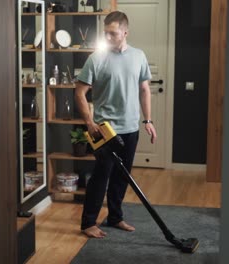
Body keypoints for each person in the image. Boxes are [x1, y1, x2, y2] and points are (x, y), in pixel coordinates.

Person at [75, 11, 157, 238]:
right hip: (105, 130)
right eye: (106, 33)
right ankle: (88, 223)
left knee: (123, 176)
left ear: (125, 32)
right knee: (101, 176)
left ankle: (115, 217)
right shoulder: (96, 58)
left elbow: (144, 90)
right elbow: (80, 93)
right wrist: (90, 122)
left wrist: (148, 120)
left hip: (131, 127)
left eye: (113, 33)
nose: (109, 37)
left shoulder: (139, 56)